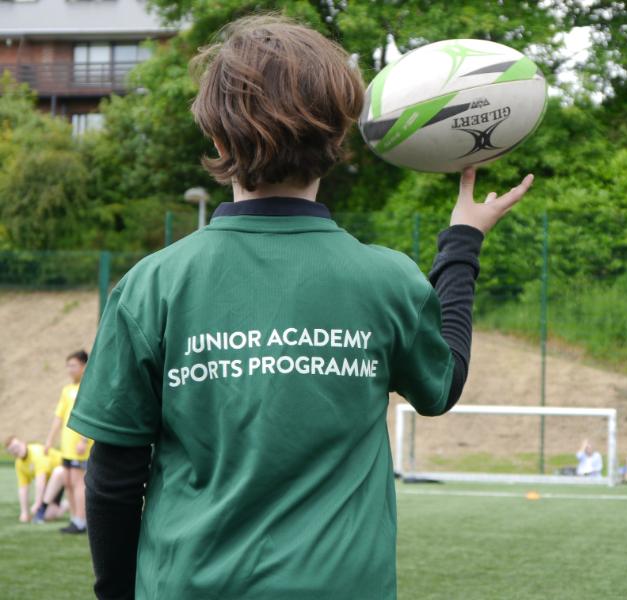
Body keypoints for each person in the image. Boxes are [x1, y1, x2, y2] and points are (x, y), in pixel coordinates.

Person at [66, 14, 535, 600]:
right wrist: (462, 240)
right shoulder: (386, 279)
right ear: (337, 141)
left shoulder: (151, 285)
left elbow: (113, 476)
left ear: (215, 138)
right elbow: (444, 384)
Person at [43, 349, 93, 534]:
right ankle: (75, 519)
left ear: (84, 366)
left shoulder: (87, 387)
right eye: (68, 366)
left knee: (79, 482)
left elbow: (90, 414)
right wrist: (49, 441)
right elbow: (58, 417)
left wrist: (84, 440)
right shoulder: (67, 390)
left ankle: (82, 520)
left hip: (80, 446)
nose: (70, 369)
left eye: (73, 365)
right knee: (69, 482)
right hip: (67, 446)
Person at [4, 435, 66, 523]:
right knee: (46, 515)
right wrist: (24, 512)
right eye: (12, 450)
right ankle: (62, 505)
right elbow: (23, 488)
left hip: (64, 473)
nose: (16, 450)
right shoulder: (19, 464)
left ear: (23, 443)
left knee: (41, 511)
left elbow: (40, 481)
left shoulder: (36, 453)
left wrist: (38, 503)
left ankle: (64, 505)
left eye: (16, 446)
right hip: (50, 483)